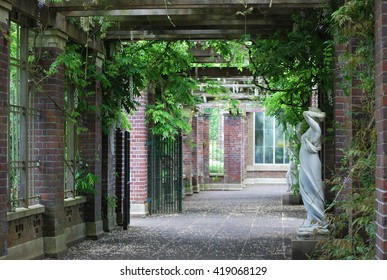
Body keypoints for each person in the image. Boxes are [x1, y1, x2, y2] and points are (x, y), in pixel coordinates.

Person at [296, 107, 328, 236]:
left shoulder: (317, 129)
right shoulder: (311, 130)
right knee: (306, 188)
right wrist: (298, 133)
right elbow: (302, 141)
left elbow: (305, 113)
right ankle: (310, 218)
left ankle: (319, 219)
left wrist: (320, 114)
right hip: (305, 162)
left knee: (314, 187)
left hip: (312, 162)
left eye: (311, 111)